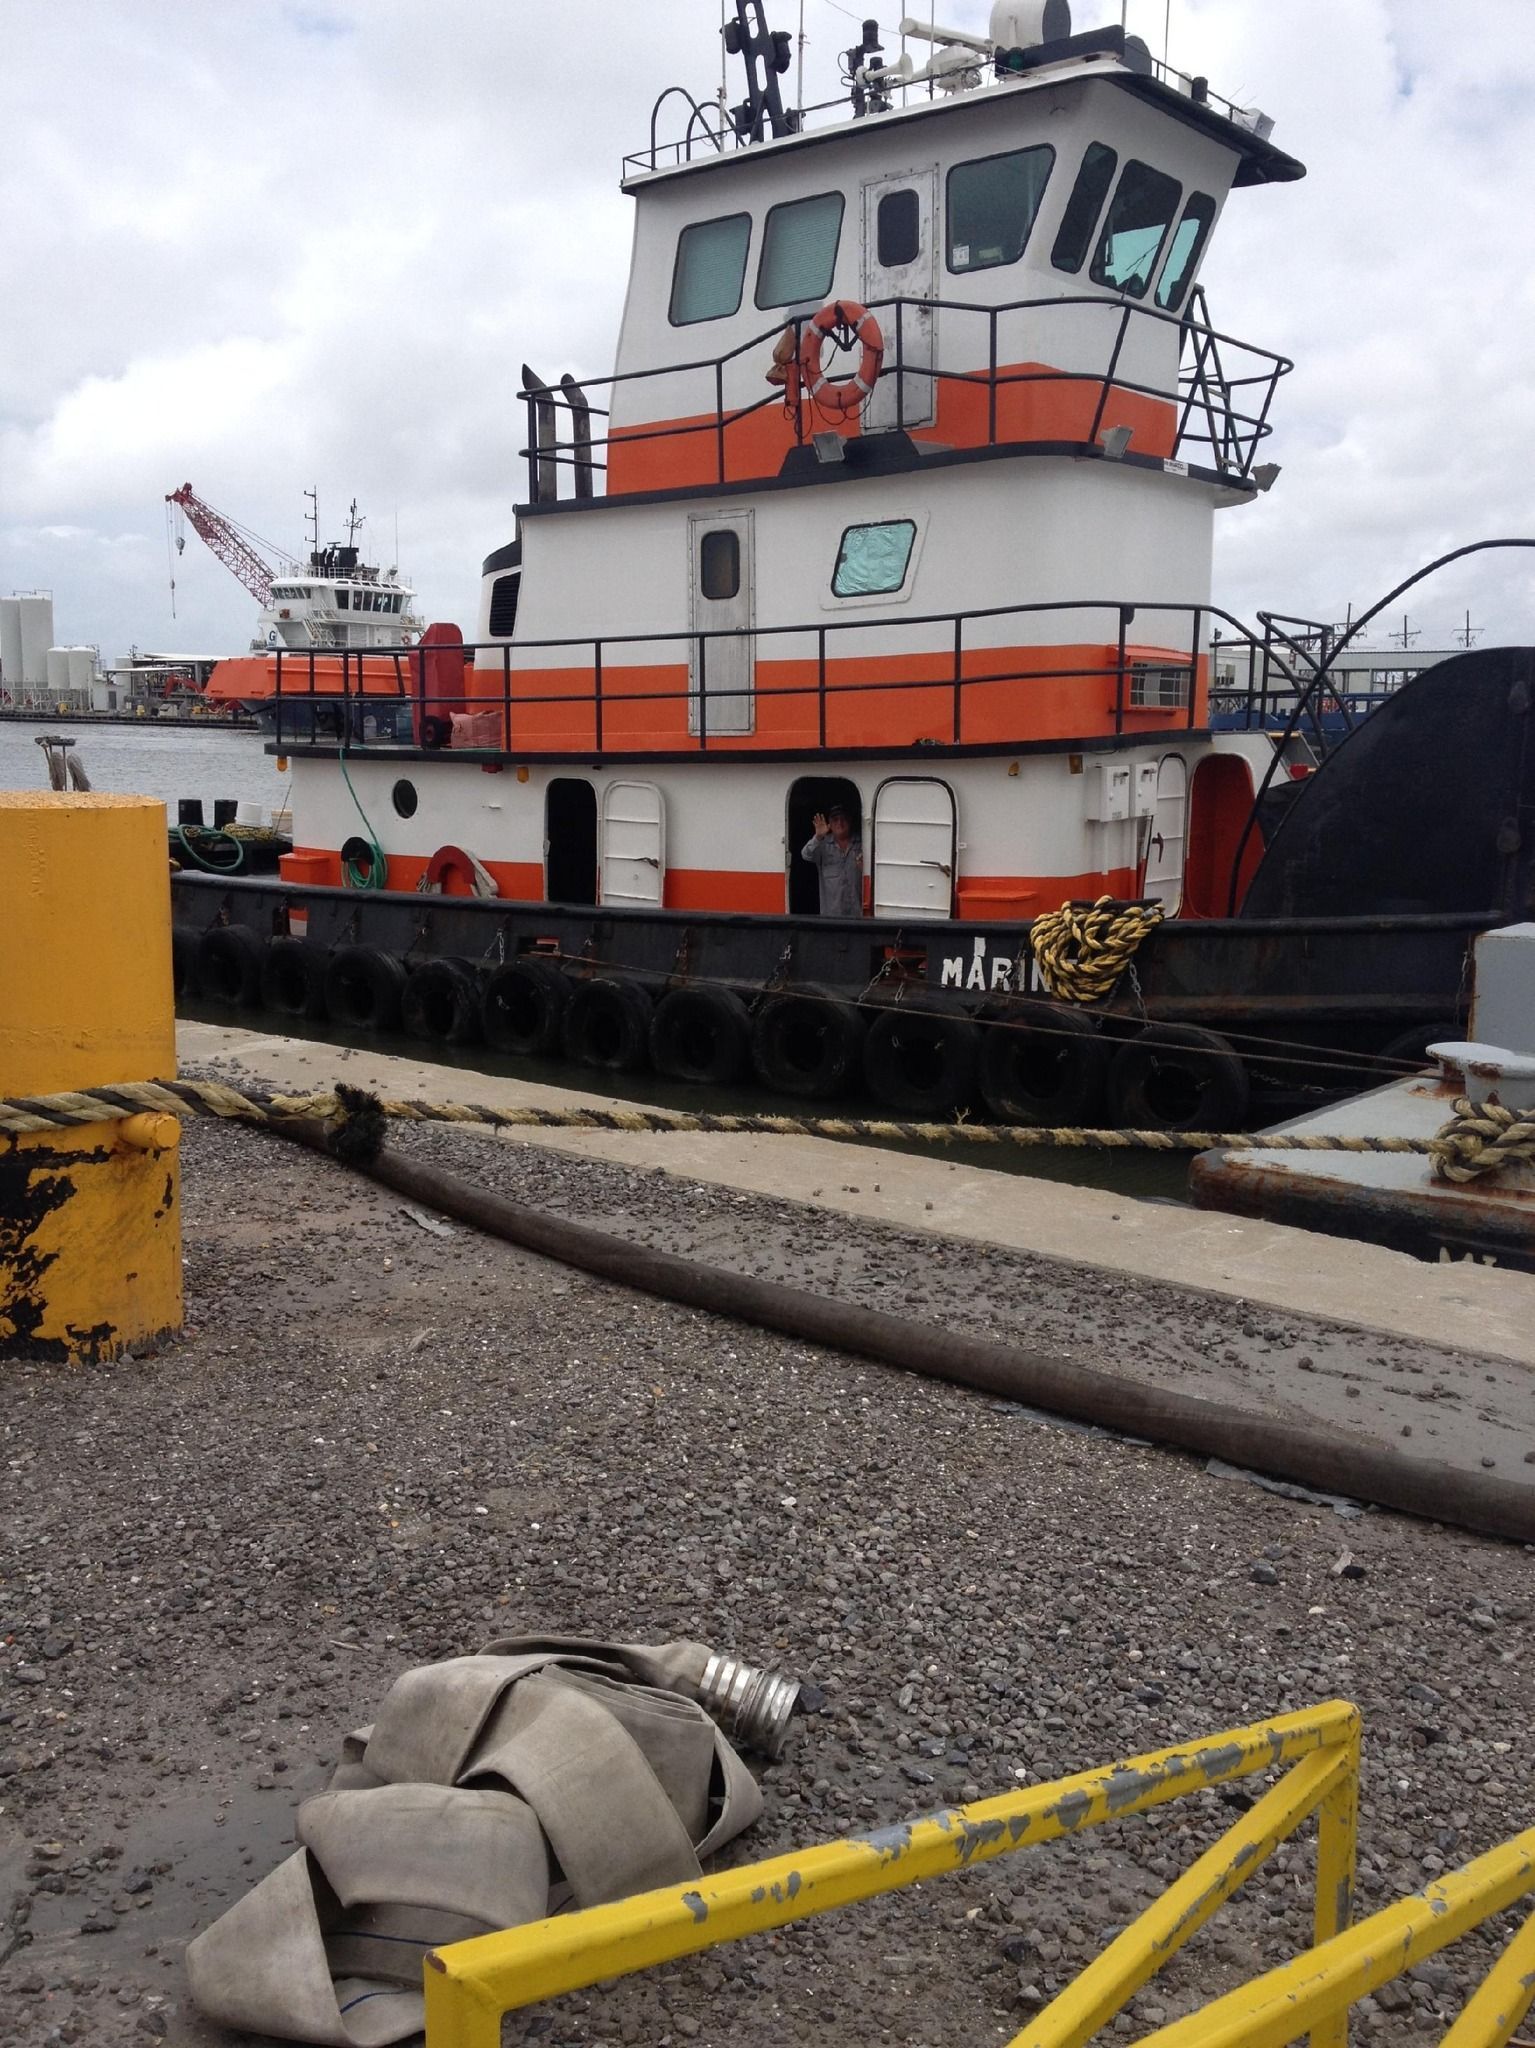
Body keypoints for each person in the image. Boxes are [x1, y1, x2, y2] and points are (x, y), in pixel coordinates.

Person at [801, 804, 864, 916]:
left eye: (843, 819)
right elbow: (806, 855)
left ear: (850, 820)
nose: (840, 823)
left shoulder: (863, 842)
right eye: (835, 819)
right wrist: (818, 837)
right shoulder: (822, 845)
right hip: (831, 918)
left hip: (859, 915)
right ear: (829, 823)